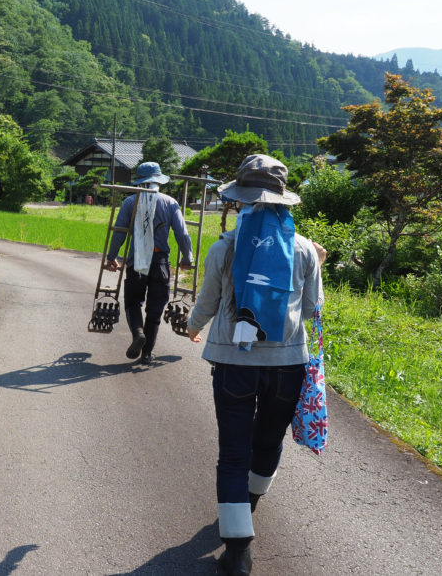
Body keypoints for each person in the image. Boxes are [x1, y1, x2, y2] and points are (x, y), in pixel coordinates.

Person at [186, 154, 325, 576]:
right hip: (288, 365)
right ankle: (247, 507)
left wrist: (193, 327)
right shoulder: (303, 250)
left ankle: (239, 548)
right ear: (284, 202)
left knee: (232, 453)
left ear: (241, 201)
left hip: (233, 363)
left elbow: (208, 301)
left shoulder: (224, 247)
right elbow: (315, 308)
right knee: (267, 443)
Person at [105, 161, 194, 365]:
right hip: (160, 262)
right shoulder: (170, 203)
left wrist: (111, 257)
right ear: (158, 181)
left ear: (139, 182)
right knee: (155, 309)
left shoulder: (130, 202)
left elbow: (119, 232)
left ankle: (138, 334)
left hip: (137, 262)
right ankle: (146, 354)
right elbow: (182, 233)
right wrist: (187, 258)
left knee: (133, 302)